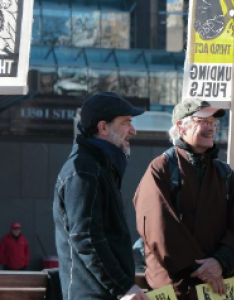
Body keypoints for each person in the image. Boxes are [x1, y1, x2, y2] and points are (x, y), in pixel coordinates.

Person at [133, 98, 234, 300]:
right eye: (203, 121)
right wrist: (203, 269)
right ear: (181, 126)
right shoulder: (160, 169)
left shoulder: (226, 175)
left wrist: (219, 262)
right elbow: (158, 229)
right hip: (175, 288)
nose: (211, 127)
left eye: (213, 122)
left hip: (217, 288)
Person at [53, 92, 149, 300]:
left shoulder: (96, 167)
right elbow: (86, 238)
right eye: (126, 123)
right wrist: (123, 287)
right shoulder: (84, 170)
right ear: (103, 127)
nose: (133, 130)